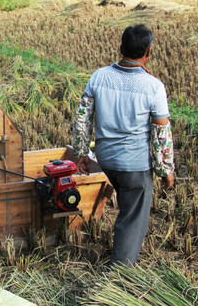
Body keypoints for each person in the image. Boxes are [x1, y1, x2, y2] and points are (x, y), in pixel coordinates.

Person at [72, 24, 175, 266]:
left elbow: (82, 118)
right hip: (134, 166)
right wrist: (165, 169)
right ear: (148, 52)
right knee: (132, 216)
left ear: (120, 48)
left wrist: (82, 153)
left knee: (124, 207)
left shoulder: (99, 76)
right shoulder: (154, 87)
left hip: (106, 161)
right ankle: (120, 273)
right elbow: (162, 132)